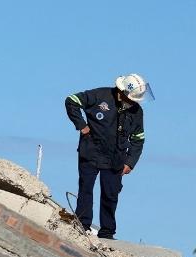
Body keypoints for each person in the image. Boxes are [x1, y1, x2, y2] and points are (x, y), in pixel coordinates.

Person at [64, 74, 152, 239]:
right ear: (122, 92)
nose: (134, 102)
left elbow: (138, 139)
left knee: (111, 194)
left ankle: (107, 232)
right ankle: (82, 225)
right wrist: (81, 125)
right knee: (86, 189)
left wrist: (130, 162)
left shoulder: (137, 112)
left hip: (116, 159)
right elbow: (72, 100)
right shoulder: (100, 95)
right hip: (90, 152)